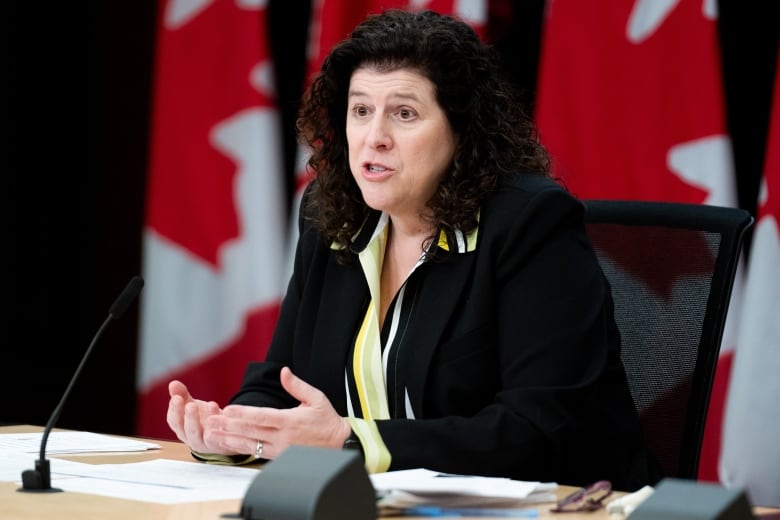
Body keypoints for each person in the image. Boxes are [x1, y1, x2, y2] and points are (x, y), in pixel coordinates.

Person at [166, 8, 663, 490]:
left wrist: (351, 440)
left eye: (404, 114)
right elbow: (281, 382)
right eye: (360, 111)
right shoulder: (333, 215)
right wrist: (227, 432)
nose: (374, 138)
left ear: (462, 132)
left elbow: (536, 430)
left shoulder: (528, 224)